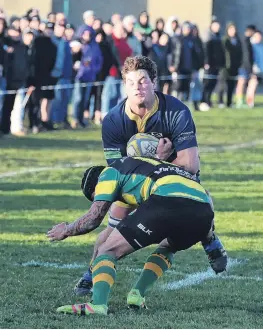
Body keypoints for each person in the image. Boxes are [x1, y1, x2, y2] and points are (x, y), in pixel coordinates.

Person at [73, 55, 227, 296]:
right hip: (141, 180)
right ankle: (91, 273)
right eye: (132, 82)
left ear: (154, 81)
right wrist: (158, 159)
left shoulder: (176, 111)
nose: (138, 87)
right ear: (124, 85)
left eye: (143, 80)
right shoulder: (113, 121)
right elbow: (119, 170)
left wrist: (159, 164)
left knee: (203, 201)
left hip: (175, 180)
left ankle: (209, 238)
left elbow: (190, 164)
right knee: (113, 225)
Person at [47, 156, 217, 315]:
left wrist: (66, 230)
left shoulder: (109, 172)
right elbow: (205, 195)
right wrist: (212, 242)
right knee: (169, 246)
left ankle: (97, 305)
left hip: (167, 201)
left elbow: (94, 218)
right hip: (204, 211)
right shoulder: (146, 167)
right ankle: (137, 294)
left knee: (107, 250)